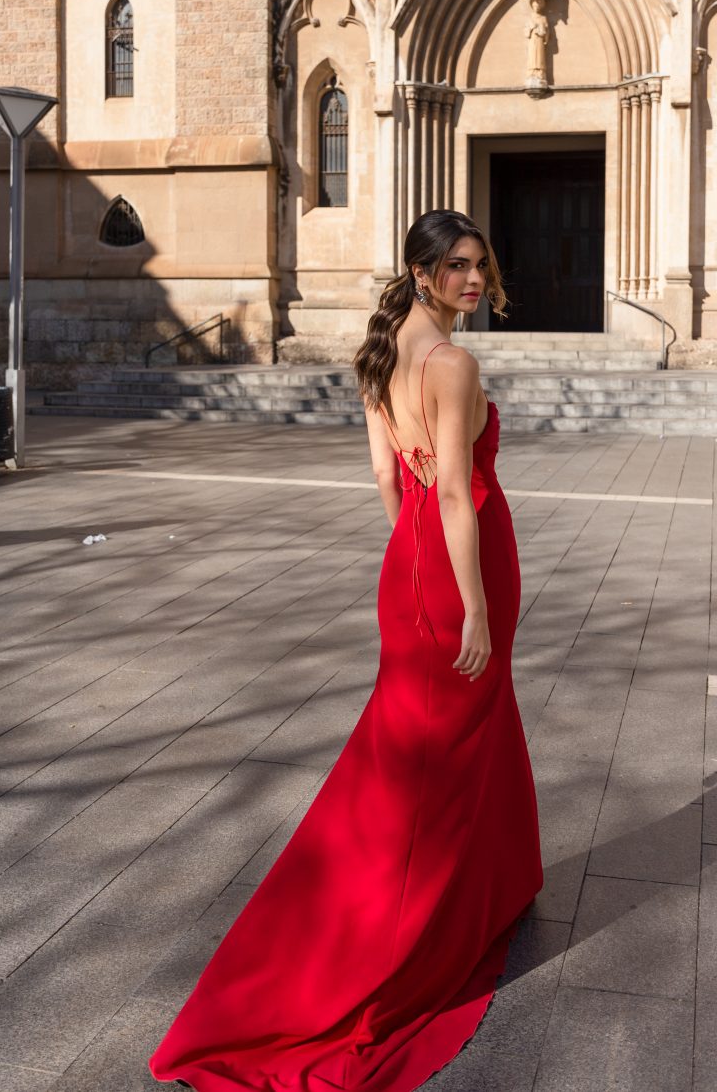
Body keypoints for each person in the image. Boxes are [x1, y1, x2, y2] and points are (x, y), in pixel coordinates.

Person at [148, 209, 543, 1091]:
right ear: (418, 271)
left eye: (479, 264)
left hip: (407, 566)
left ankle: (499, 882)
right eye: (455, 267)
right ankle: (395, 938)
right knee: (433, 763)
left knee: (430, 745)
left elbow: (383, 477)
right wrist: (471, 606)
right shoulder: (451, 362)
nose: (472, 280)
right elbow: (452, 496)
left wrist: (410, 563)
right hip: (457, 567)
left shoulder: (377, 354)